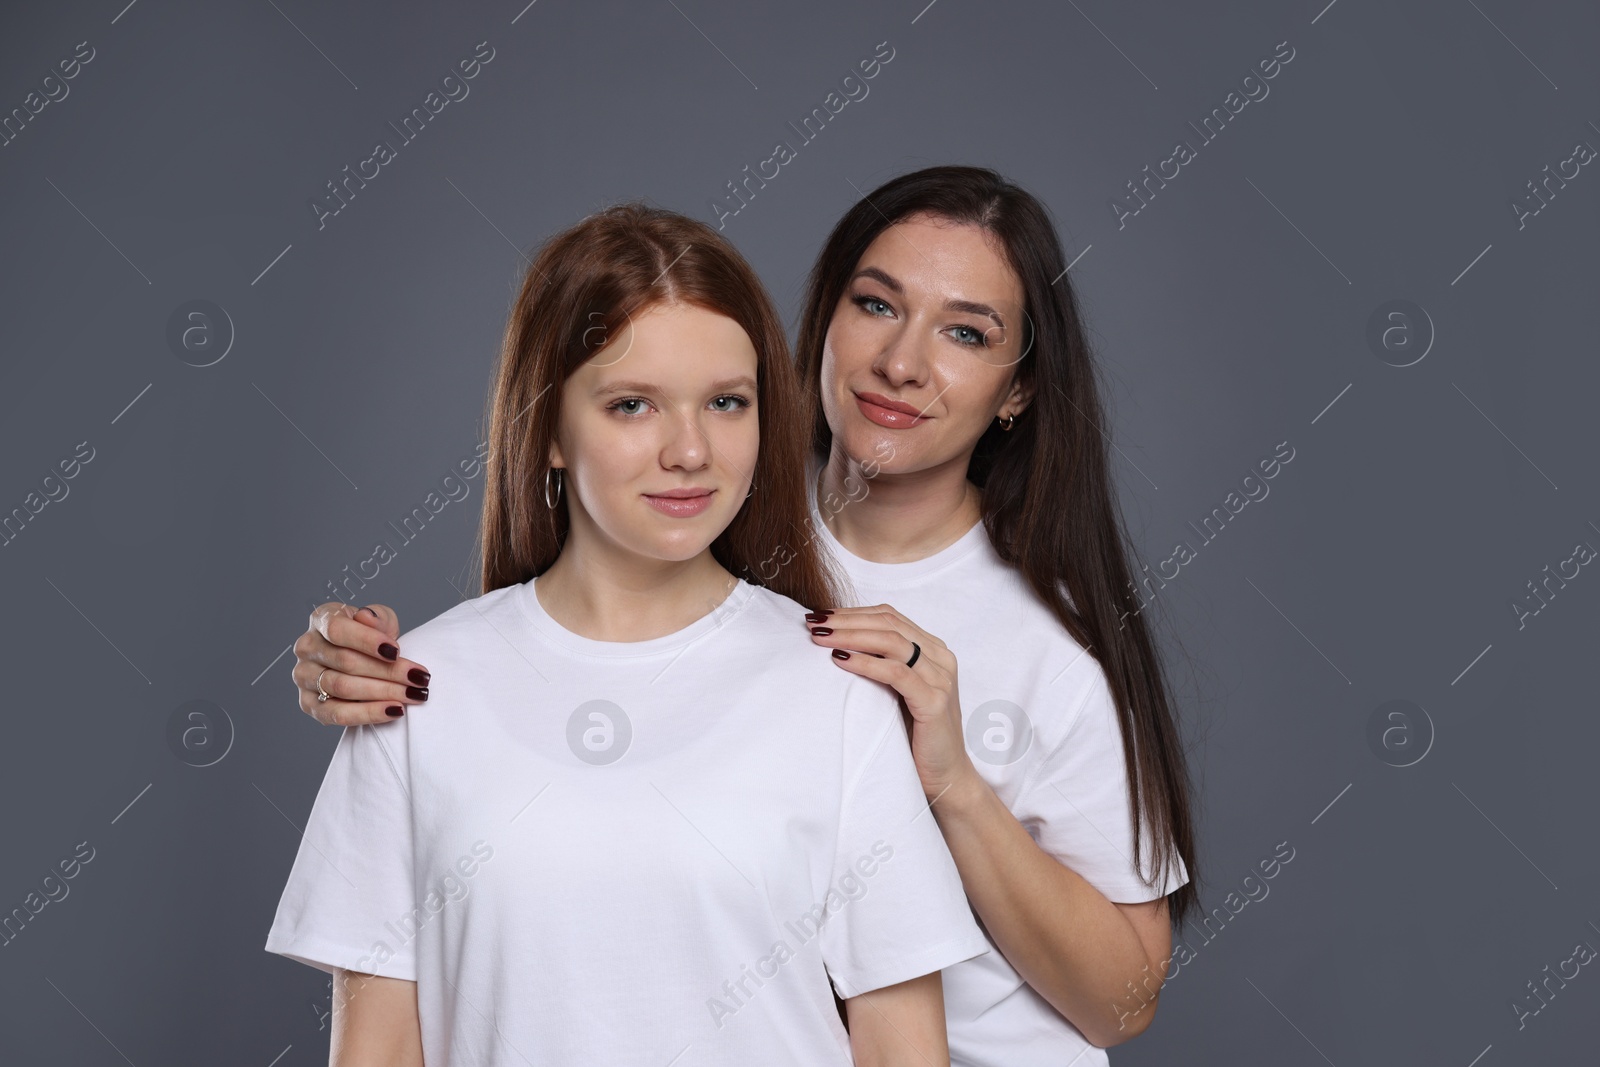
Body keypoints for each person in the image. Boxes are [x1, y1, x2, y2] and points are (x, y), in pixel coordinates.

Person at [287, 166, 1201, 1066]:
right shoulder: (705, 511)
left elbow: (1122, 1003)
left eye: (965, 332)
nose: (902, 361)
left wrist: (955, 783)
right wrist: (356, 665)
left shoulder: (1040, 656)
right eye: (877, 304)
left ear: (1018, 391)